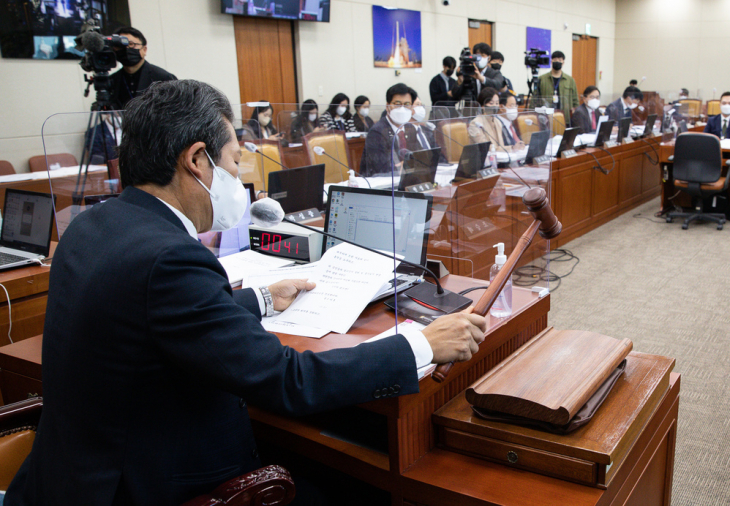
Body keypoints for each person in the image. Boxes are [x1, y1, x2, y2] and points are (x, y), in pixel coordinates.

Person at [3, 79, 486, 506]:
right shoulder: (169, 259)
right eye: (235, 161)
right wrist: (421, 344)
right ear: (196, 160)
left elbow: (153, 318)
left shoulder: (94, 226)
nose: (241, 178)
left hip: (71, 474)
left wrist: (259, 299)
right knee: (356, 485)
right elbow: (287, 380)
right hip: (149, 484)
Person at [110, 26, 177, 109]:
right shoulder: (111, 81)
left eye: (131, 44)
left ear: (144, 50)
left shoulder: (163, 78)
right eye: (121, 46)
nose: (126, 49)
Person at [361, 84, 416, 176]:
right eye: (397, 104)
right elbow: (383, 169)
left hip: (408, 181)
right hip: (381, 184)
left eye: (407, 105)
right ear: (387, 106)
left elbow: (421, 160)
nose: (402, 109)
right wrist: (409, 166)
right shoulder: (377, 132)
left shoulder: (410, 128)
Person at [468, 87, 522, 154]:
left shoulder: (497, 121)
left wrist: (515, 147)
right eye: (491, 103)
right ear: (482, 106)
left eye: (496, 103)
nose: (495, 106)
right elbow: (487, 148)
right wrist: (511, 148)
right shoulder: (475, 124)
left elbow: (501, 146)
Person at [404, 95, 447, 162]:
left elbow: (439, 155)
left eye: (422, 105)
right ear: (408, 109)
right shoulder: (404, 132)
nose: (421, 108)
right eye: (418, 105)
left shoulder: (427, 130)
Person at [535, 51, 579, 115]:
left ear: (563, 63)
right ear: (551, 61)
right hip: (546, 116)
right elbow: (535, 98)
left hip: (564, 116)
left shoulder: (570, 80)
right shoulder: (542, 79)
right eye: (555, 60)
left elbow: (575, 100)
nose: (557, 61)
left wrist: (575, 112)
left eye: (560, 60)